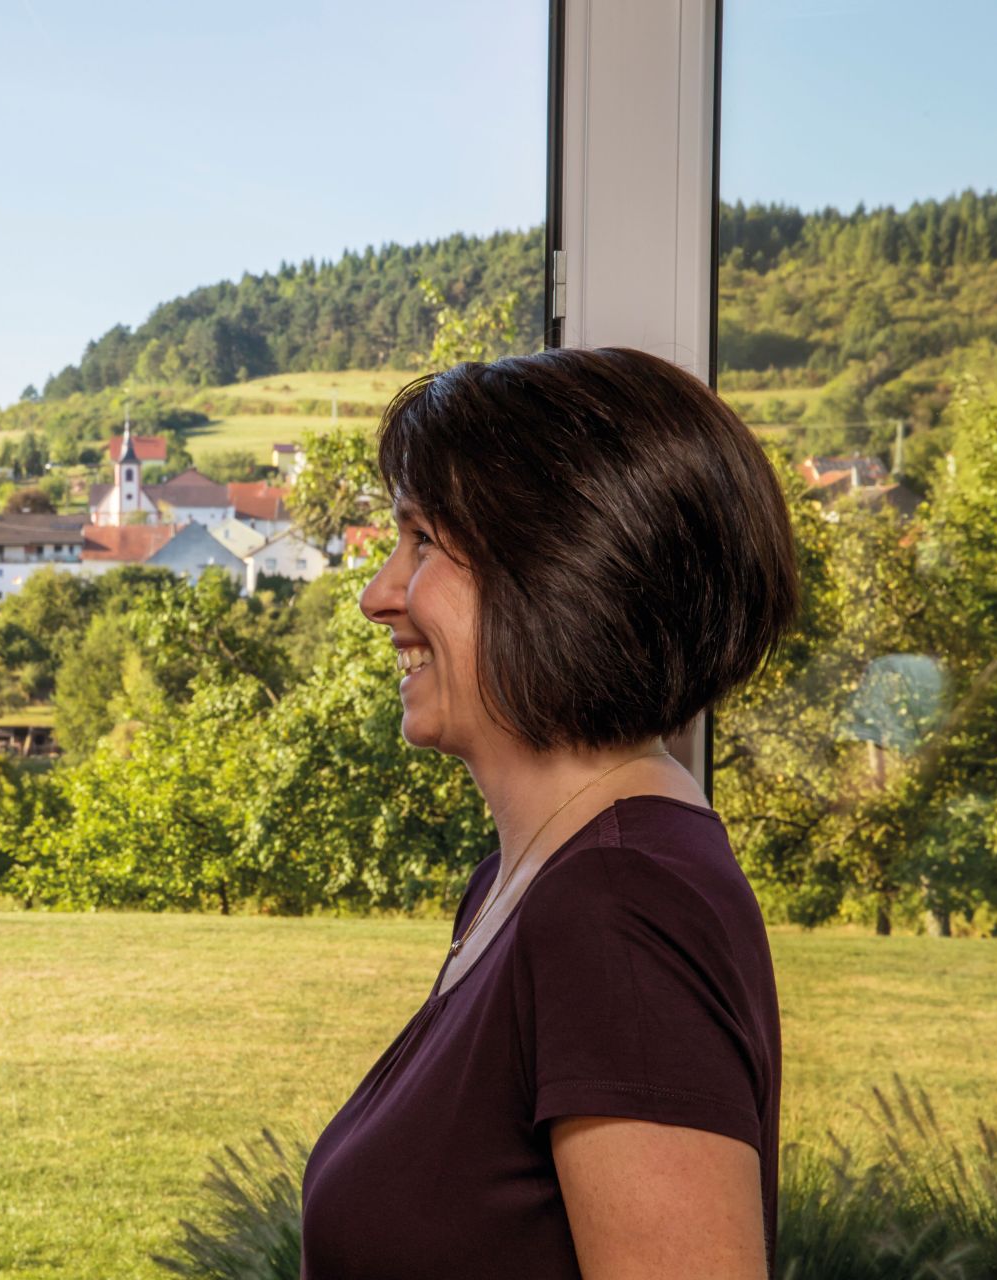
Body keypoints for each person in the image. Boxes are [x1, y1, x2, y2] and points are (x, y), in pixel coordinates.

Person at [300, 347, 799, 1279]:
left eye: (420, 544)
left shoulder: (616, 910)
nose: (378, 597)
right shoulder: (529, 884)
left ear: (555, 571)